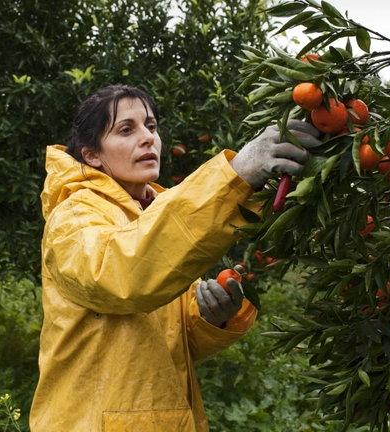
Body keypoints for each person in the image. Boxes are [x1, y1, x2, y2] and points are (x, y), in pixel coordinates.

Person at [30, 84, 321, 431]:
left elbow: (169, 337)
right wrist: (237, 174)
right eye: (126, 129)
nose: (147, 138)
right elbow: (125, 273)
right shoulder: (73, 218)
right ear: (92, 155)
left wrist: (212, 317)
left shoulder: (158, 215)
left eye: (151, 127)